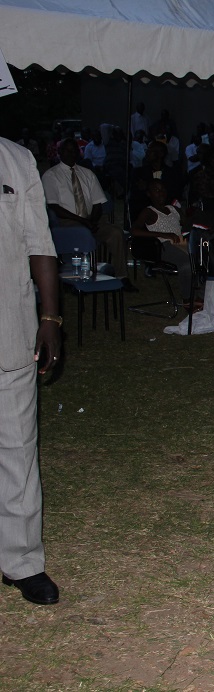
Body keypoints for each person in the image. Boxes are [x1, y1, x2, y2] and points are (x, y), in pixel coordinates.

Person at [0, 137, 61, 606]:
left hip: (10, 326)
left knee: (18, 447)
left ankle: (22, 561)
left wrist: (50, 318)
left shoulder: (15, 159)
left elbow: (39, 241)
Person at [41, 138, 135, 290]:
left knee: (116, 233)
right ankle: (82, 276)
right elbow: (54, 206)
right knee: (83, 232)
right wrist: (83, 221)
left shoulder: (87, 173)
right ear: (59, 152)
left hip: (92, 220)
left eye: (74, 150)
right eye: (67, 150)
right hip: (67, 221)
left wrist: (92, 220)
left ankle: (122, 277)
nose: (71, 154)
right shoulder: (51, 176)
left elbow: (98, 202)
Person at [130, 179, 194, 305]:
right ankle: (188, 299)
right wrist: (162, 234)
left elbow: (188, 224)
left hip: (181, 242)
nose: (161, 193)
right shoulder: (149, 211)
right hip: (163, 245)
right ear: (149, 194)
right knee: (187, 264)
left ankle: (201, 296)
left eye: (163, 190)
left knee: (203, 258)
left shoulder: (173, 208)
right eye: (156, 190)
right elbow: (134, 231)